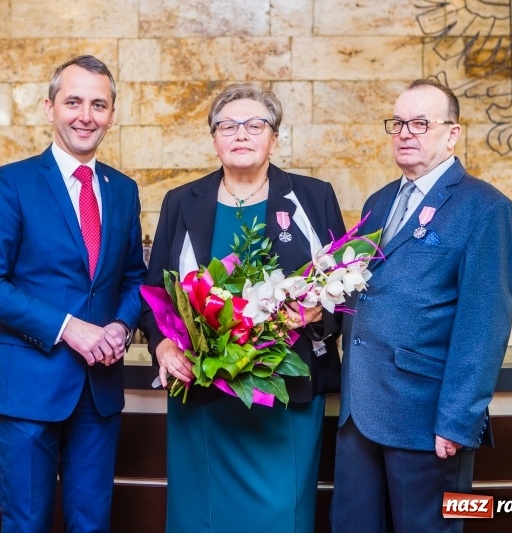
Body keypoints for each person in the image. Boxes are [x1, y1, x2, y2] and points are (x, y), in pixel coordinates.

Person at [139, 83, 346, 533]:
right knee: (201, 518)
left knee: (281, 518)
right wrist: (162, 346)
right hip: (202, 393)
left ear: (275, 137)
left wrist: (316, 315)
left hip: (286, 394)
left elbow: (344, 290)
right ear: (214, 139)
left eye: (255, 124)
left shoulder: (312, 197)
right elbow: (154, 292)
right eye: (228, 126)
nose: (241, 134)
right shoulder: (181, 201)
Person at [0, 55, 146, 532]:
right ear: (50, 108)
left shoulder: (123, 190)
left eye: (98, 105)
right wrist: (68, 328)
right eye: (73, 102)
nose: (86, 116)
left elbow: (134, 278)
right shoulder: (11, 183)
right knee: (26, 523)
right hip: (27, 384)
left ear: (111, 114)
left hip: (99, 389)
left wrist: (120, 325)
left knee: (92, 523)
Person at [331, 79, 512, 533]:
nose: (405, 133)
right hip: (360, 412)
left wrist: (457, 422)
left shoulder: (486, 208)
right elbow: (364, 291)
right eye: (398, 123)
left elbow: (484, 326)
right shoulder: (379, 202)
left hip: (427, 420)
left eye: (420, 123)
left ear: (452, 134)